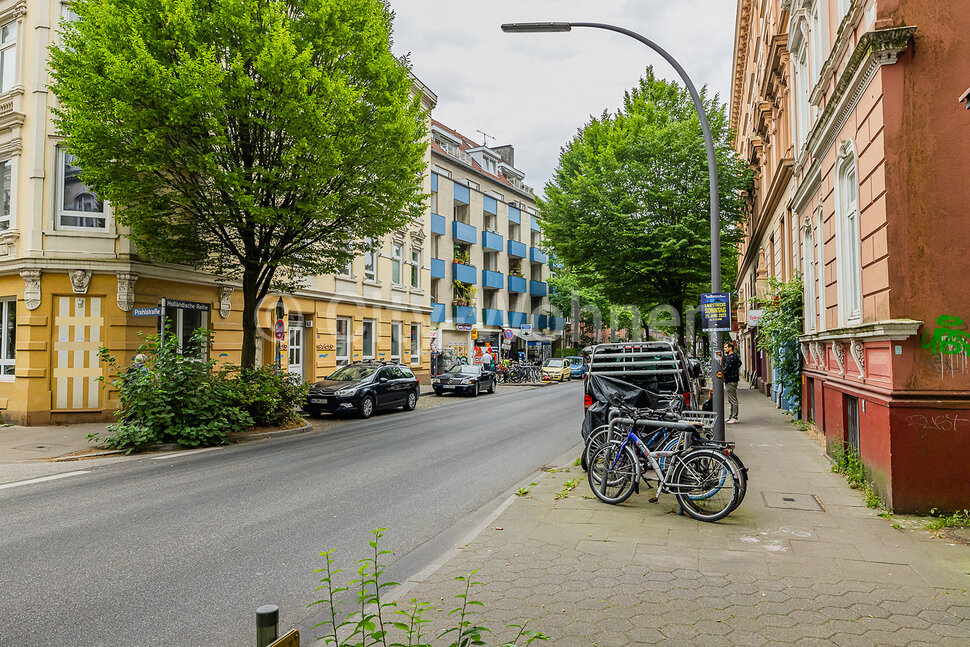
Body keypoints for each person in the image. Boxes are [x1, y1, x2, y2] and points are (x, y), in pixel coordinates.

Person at [722, 340, 742, 424]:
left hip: (731, 380)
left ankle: (734, 417)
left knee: (733, 399)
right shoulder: (731, 357)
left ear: (730, 348)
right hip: (731, 379)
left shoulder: (732, 357)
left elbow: (726, 369)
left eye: (726, 347)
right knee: (730, 399)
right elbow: (739, 363)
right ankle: (731, 416)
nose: (724, 349)